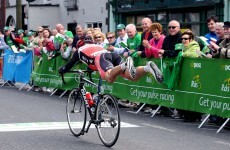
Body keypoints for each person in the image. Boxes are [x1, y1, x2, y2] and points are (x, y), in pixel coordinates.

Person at [58, 36, 163, 85]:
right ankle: (147, 67)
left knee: (109, 78)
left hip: (101, 58)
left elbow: (70, 64)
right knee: (132, 76)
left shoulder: (79, 50)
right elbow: (89, 64)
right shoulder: (95, 45)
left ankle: (125, 64)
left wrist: (62, 70)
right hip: (111, 55)